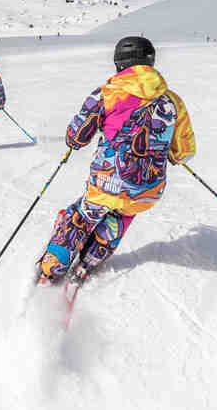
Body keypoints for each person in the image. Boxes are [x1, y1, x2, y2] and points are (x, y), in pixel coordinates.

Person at [37, 37, 196, 284]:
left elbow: (78, 135)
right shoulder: (172, 101)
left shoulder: (106, 94)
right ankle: (89, 260)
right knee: (121, 216)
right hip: (148, 188)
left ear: (120, 64)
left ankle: (53, 267)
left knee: (81, 216)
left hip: (107, 180)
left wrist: (72, 143)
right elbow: (183, 151)